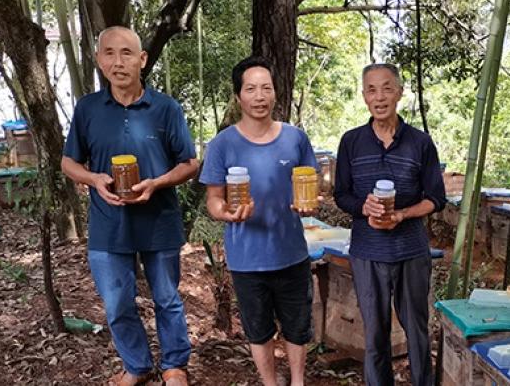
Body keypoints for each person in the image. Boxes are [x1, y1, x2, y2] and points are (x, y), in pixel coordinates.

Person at [61, 26, 196, 386]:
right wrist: (93, 180)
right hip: (108, 223)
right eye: (109, 53)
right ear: (98, 60)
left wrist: (158, 182)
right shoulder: (88, 108)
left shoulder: (166, 108)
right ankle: (136, 365)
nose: (117, 62)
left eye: (126, 53)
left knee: (167, 298)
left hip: (159, 220)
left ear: (142, 60)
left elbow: (189, 163)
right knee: (117, 304)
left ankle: (174, 365)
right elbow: (69, 162)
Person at [199, 56, 318, 386]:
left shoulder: (295, 138)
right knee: (258, 328)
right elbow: (213, 199)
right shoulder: (222, 144)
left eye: (266, 87)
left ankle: (297, 381)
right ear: (239, 96)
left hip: (291, 252)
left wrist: (309, 205)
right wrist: (224, 212)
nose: (260, 95)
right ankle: (269, 382)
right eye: (251, 88)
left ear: (275, 92)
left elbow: (308, 186)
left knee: (297, 325)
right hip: (246, 259)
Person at [333, 63, 446, 386]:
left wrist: (402, 214)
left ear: (399, 92)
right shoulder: (351, 142)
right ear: (364, 96)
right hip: (367, 252)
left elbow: (435, 198)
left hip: (411, 250)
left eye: (386, 88)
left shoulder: (420, 143)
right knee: (375, 335)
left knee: (417, 331)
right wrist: (362, 206)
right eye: (371, 89)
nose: (379, 96)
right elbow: (341, 194)